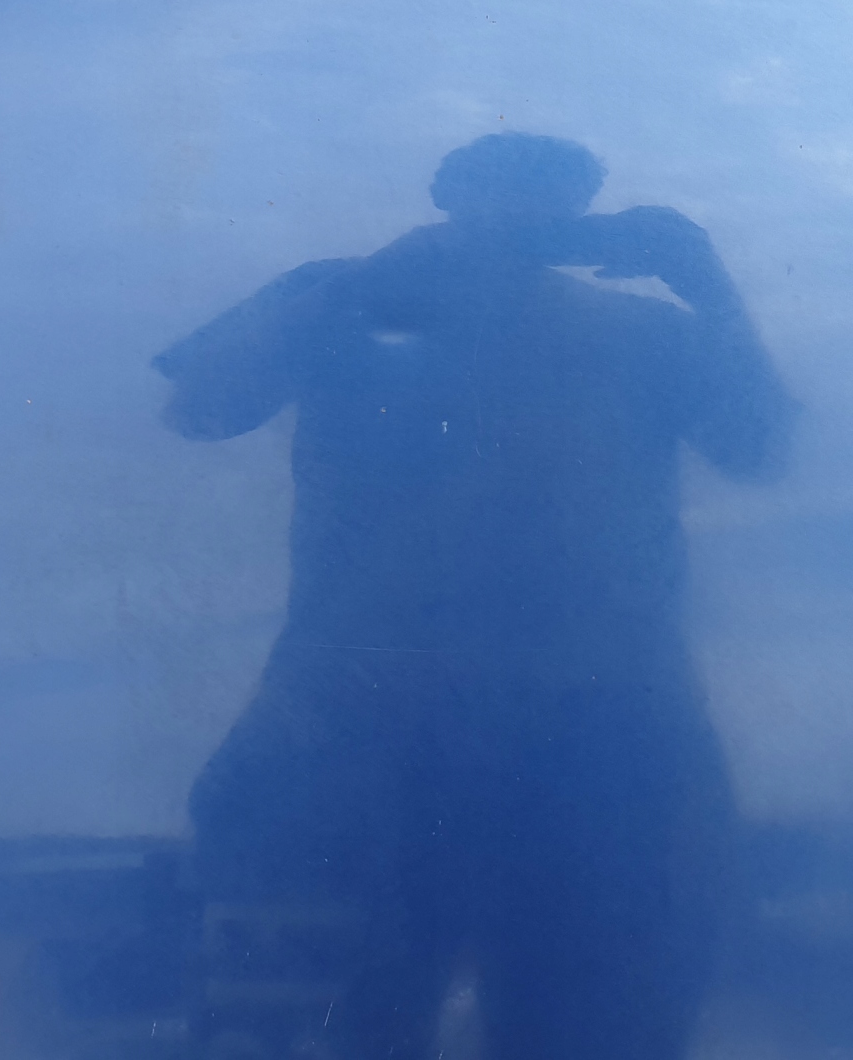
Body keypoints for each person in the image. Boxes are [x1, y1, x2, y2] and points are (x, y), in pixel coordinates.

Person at [154, 133, 795, 1060]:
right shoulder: (345, 298)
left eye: (547, 198)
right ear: (447, 199)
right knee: (357, 1023)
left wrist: (709, 285)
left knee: (591, 1027)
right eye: (499, 193)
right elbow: (199, 408)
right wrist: (359, 284)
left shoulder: (644, 332)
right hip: (393, 728)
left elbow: (762, 450)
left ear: (580, 215)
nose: (518, 216)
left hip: (578, 736)